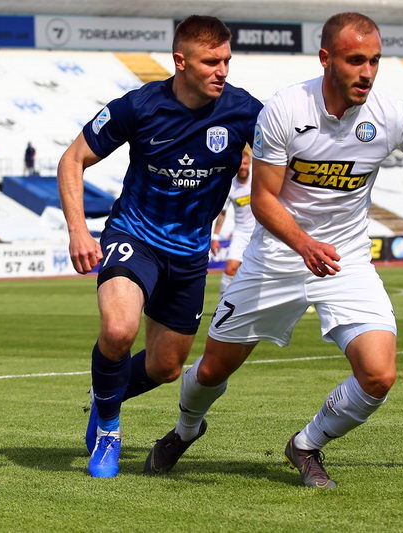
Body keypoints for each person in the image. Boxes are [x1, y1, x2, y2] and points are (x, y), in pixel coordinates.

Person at [143, 12, 403, 489]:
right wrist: (303, 243)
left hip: (346, 260)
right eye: (356, 60)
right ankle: (185, 429)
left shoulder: (393, 116)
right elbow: (264, 199)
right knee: (213, 369)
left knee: (379, 375)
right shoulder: (285, 108)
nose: (367, 72)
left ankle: (306, 444)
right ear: (326, 58)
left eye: (375, 60)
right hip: (276, 257)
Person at [56, 15, 262, 478]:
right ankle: (109, 430)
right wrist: (78, 231)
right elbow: (72, 159)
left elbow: (291, 157)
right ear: (180, 61)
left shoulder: (244, 111)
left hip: (189, 255)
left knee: (166, 367)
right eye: (210, 62)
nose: (222, 71)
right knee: (118, 330)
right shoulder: (139, 106)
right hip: (135, 236)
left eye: (226, 61)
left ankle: (104, 396)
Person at [211, 148, 255, 297]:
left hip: (261, 231)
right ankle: (223, 302)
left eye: (245, 163)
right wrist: (215, 237)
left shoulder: (258, 177)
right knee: (230, 269)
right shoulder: (230, 185)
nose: (243, 167)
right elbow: (222, 213)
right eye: (240, 164)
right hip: (241, 231)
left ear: (249, 164)